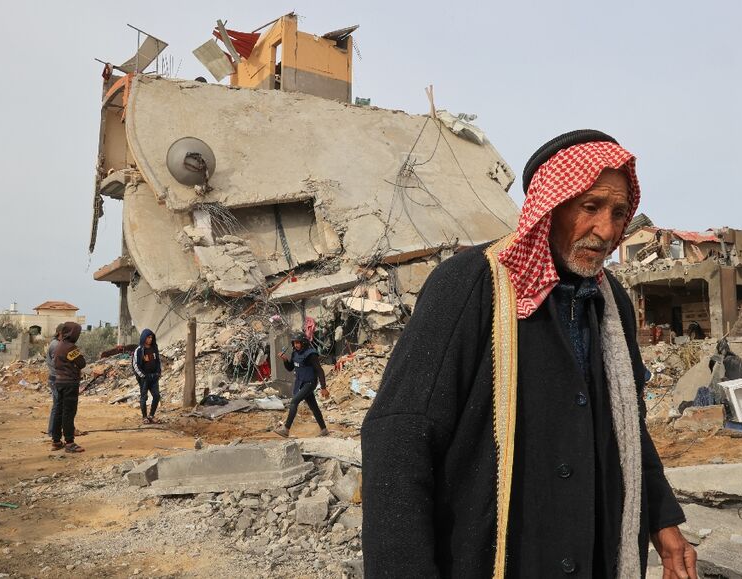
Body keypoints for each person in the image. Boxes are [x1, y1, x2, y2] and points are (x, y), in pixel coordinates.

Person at [361, 130, 697, 578]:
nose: (607, 229)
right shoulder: (471, 286)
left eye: (619, 213)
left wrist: (662, 520)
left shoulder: (610, 302)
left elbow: (626, 426)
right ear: (551, 206)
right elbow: (399, 441)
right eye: (590, 207)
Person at [275, 333, 329, 437]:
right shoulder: (295, 353)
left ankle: (286, 429)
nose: (296, 345)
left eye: (298, 343)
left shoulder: (311, 354)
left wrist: (323, 387)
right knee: (314, 406)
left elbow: (319, 370)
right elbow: (290, 368)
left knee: (294, 401)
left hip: (310, 383)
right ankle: (324, 429)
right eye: (294, 343)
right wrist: (285, 360)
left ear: (303, 343)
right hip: (301, 383)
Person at [52, 322, 86, 453]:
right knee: (69, 413)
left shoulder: (58, 345)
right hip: (70, 384)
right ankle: (70, 443)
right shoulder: (71, 348)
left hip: (59, 382)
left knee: (59, 411)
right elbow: (82, 363)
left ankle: (56, 441)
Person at [132, 329, 162, 424]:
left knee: (156, 396)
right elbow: (135, 365)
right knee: (144, 397)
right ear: (144, 338)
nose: (150, 339)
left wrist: (158, 372)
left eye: (151, 337)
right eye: (148, 337)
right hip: (144, 378)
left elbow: (158, 361)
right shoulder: (139, 350)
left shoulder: (154, 348)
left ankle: (151, 415)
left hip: (154, 377)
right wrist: (142, 376)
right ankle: (144, 417)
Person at [44, 323, 64, 439]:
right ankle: (52, 431)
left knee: (59, 405)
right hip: (55, 378)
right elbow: (58, 363)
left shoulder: (56, 343)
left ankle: (55, 429)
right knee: (57, 406)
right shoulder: (56, 345)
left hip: (55, 378)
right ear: (60, 333)